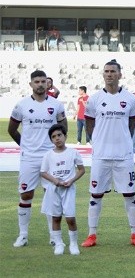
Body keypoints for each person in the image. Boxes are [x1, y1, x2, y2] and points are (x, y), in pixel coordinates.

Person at [82, 60, 135, 248]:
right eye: (106, 71)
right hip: (101, 155)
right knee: (95, 195)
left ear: (120, 74)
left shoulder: (131, 99)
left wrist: (123, 140)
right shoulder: (94, 99)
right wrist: (98, 140)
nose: (109, 74)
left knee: (130, 195)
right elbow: (89, 122)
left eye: (113, 71)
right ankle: (91, 235)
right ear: (103, 74)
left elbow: (132, 125)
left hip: (123, 155)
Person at [9, 70, 67, 248]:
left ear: (48, 84)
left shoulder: (56, 105)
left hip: (50, 157)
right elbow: (12, 129)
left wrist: (57, 147)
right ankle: (23, 235)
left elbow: (63, 128)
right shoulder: (22, 105)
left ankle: (54, 235)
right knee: (26, 194)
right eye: (37, 81)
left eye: (43, 81)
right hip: (29, 158)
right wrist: (25, 146)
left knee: (51, 195)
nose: (40, 84)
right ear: (31, 84)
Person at [40, 124, 85, 256]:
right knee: (56, 217)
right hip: (54, 190)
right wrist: (55, 181)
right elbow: (43, 172)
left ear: (65, 136)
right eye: (53, 137)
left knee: (70, 218)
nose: (57, 138)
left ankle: (73, 243)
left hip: (68, 189)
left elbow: (81, 170)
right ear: (51, 140)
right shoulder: (48, 155)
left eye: (59, 135)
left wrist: (71, 180)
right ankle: (59, 243)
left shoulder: (73, 152)